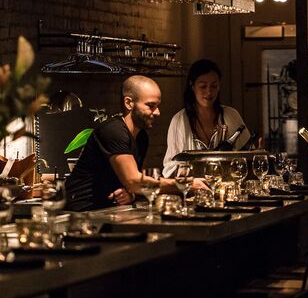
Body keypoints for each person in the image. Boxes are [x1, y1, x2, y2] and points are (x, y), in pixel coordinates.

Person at [65, 75, 205, 211]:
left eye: (157, 106)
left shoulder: (141, 137)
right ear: (128, 103)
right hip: (79, 211)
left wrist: (131, 194)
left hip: (108, 210)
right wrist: (186, 184)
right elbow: (134, 181)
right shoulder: (113, 131)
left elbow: (133, 185)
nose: (157, 112)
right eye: (151, 105)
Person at [163, 59, 251, 178]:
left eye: (214, 86)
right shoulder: (179, 120)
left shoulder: (231, 115)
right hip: (194, 186)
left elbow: (247, 156)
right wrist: (186, 173)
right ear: (192, 86)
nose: (209, 92)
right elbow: (170, 166)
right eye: (203, 86)